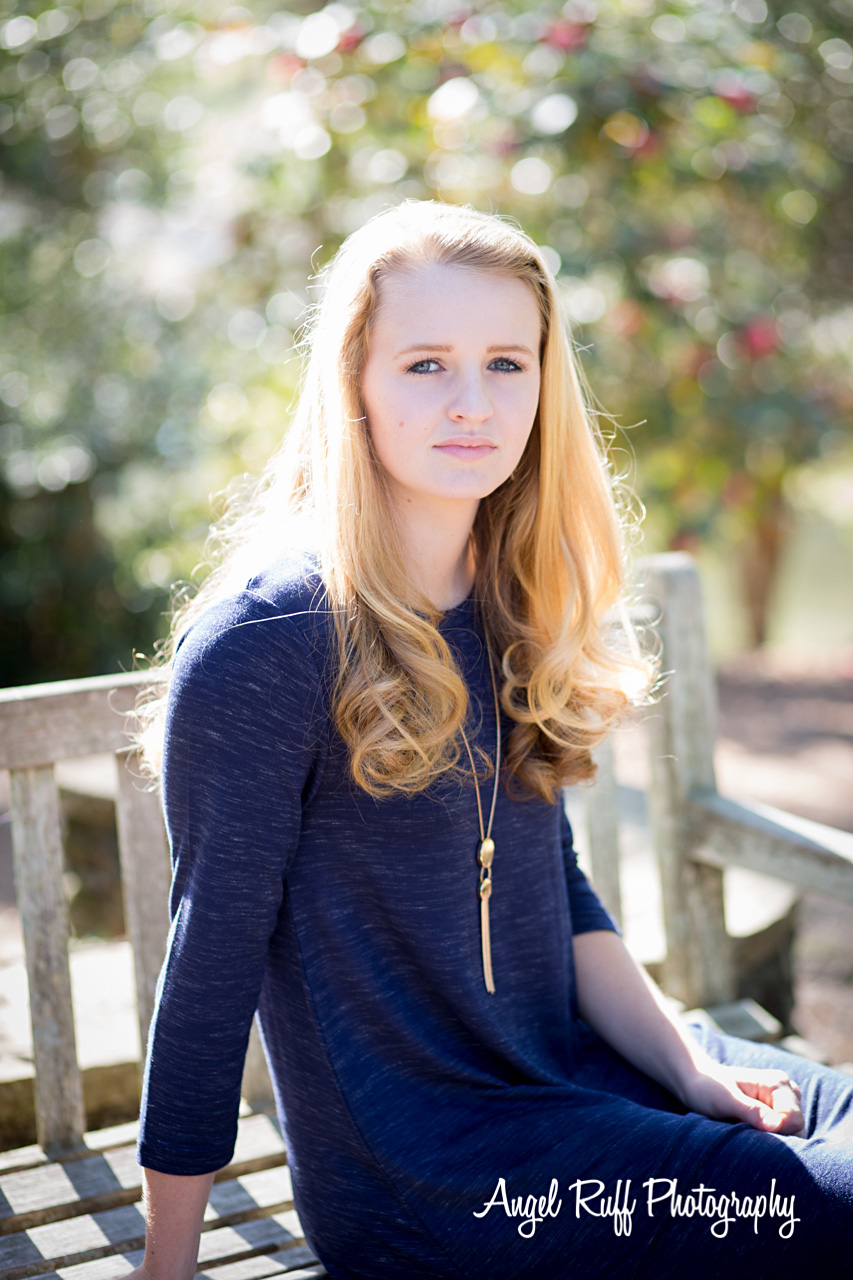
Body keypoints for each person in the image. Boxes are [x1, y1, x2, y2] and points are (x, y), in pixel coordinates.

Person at [129, 200, 853, 1280]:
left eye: (506, 363)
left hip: (583, 1074)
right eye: (425, 364)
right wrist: (165, 1267)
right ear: (354, 383)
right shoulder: (267, 640)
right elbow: (207, 969)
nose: (473, 401)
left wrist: (688, 1067)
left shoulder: (507, 590)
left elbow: (556, 889)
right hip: (442, 1174)